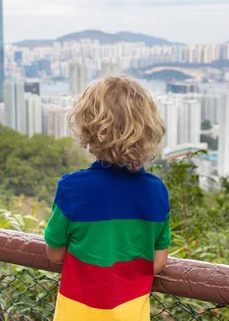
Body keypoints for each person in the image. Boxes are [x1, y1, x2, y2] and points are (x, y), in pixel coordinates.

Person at [44, 76, 171, 321]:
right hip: (132, 313)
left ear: (90, 128)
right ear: (148, 129)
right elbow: (158, 262)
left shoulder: (72, 188)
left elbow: (55, 254)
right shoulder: (156, 191)